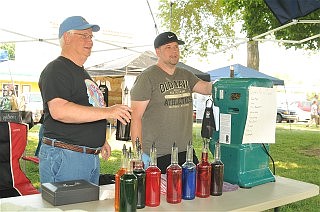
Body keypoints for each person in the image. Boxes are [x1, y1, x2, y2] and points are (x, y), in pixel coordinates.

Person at [38, 16, 131, 185]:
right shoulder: (56, 69)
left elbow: (87, 106)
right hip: (66, 157)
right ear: (67, 37)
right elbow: (60, 111)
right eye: (84, 35)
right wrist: (109, 111)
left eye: (91, 37)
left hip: (87, 157)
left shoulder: (82, 73)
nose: (90, 41)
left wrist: (100, 140)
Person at [130, 31, 213, 173]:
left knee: (192, 193)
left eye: (176, 47)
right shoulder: (147, 77)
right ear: (158, 52)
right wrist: (139, 154)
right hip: (157, 154)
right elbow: (136, 117)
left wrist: (227, 84)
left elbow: (206, 88)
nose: (174, 51)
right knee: (163, 195)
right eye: (168, 47)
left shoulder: (185, 75)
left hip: (186, 152)